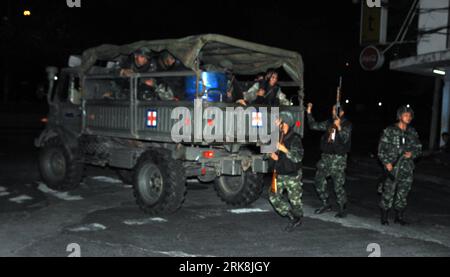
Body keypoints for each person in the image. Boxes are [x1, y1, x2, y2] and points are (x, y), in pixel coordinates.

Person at [306, 103, 352, 218]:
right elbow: (313, 126)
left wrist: (339, 127)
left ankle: (343, 207)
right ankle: (326, 203)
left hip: (338, 159)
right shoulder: (328, 123)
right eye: (332, 110)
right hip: (326, 157)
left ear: (341, 113)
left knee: (338, 185)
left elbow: (345, 139)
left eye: (335, 111)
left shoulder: (347, 124)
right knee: (319, 180)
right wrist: (309, 113)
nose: (332, 112)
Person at [378, 106, 422, 226]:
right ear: (400, 116)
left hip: (407, 168)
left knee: (403, 192)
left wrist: (412, 154)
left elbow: (419, 148)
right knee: (389, 191)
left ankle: (399, 216)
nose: (408, 118)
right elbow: (381, 150)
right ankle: (384, 217)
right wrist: (386, 163)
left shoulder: (412, 132)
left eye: (410, 115)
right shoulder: (390, 130)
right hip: (392, 167)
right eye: (406, 115)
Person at [269, 112, 304, 232]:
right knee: (273, 196)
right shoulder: (278, 135)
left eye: (280, 121)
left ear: (286, 123)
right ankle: (291, 216)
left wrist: (283, 148)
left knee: (295, 202)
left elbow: (297, 157)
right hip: (279, 173)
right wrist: (272, 155)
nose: (278, 123)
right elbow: (270, 152)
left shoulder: (295, 138)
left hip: (292, 175)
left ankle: (298, 216)